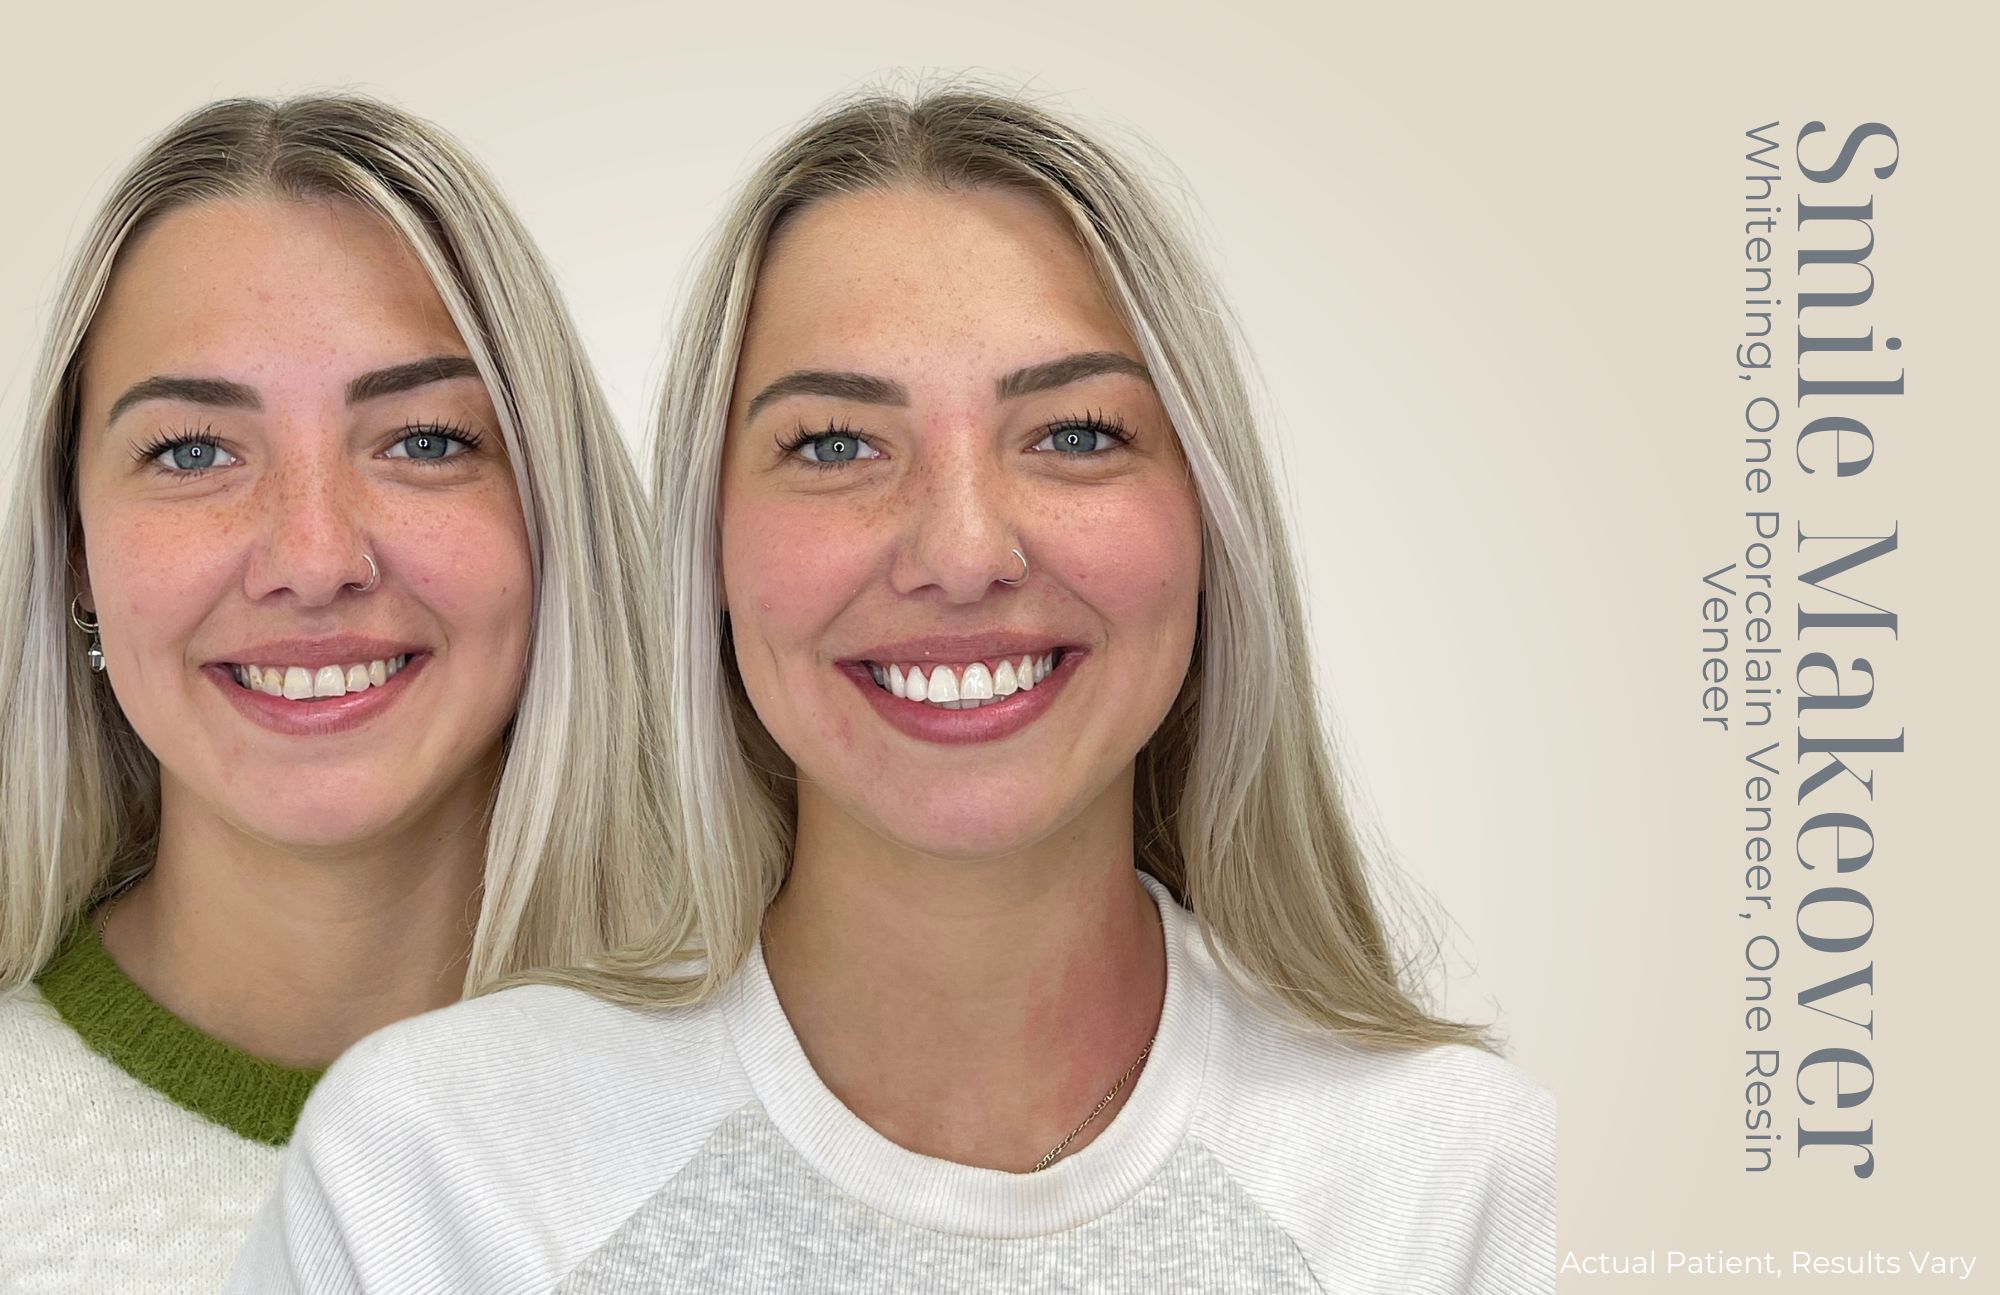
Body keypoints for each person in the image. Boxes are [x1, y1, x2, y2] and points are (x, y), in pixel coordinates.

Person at [232, 85, 1554, 1293]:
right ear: (710, 554)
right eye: (838, 444)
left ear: (1207, 525)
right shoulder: (434, 1177)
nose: (965, 550)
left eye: (1078, 433)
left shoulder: (1459, 1185)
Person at [0, 94, 668, 1291]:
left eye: (421, 438)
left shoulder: (810, 1103)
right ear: (77, 548)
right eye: (193, 450)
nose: (313, 558)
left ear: (549, 516)